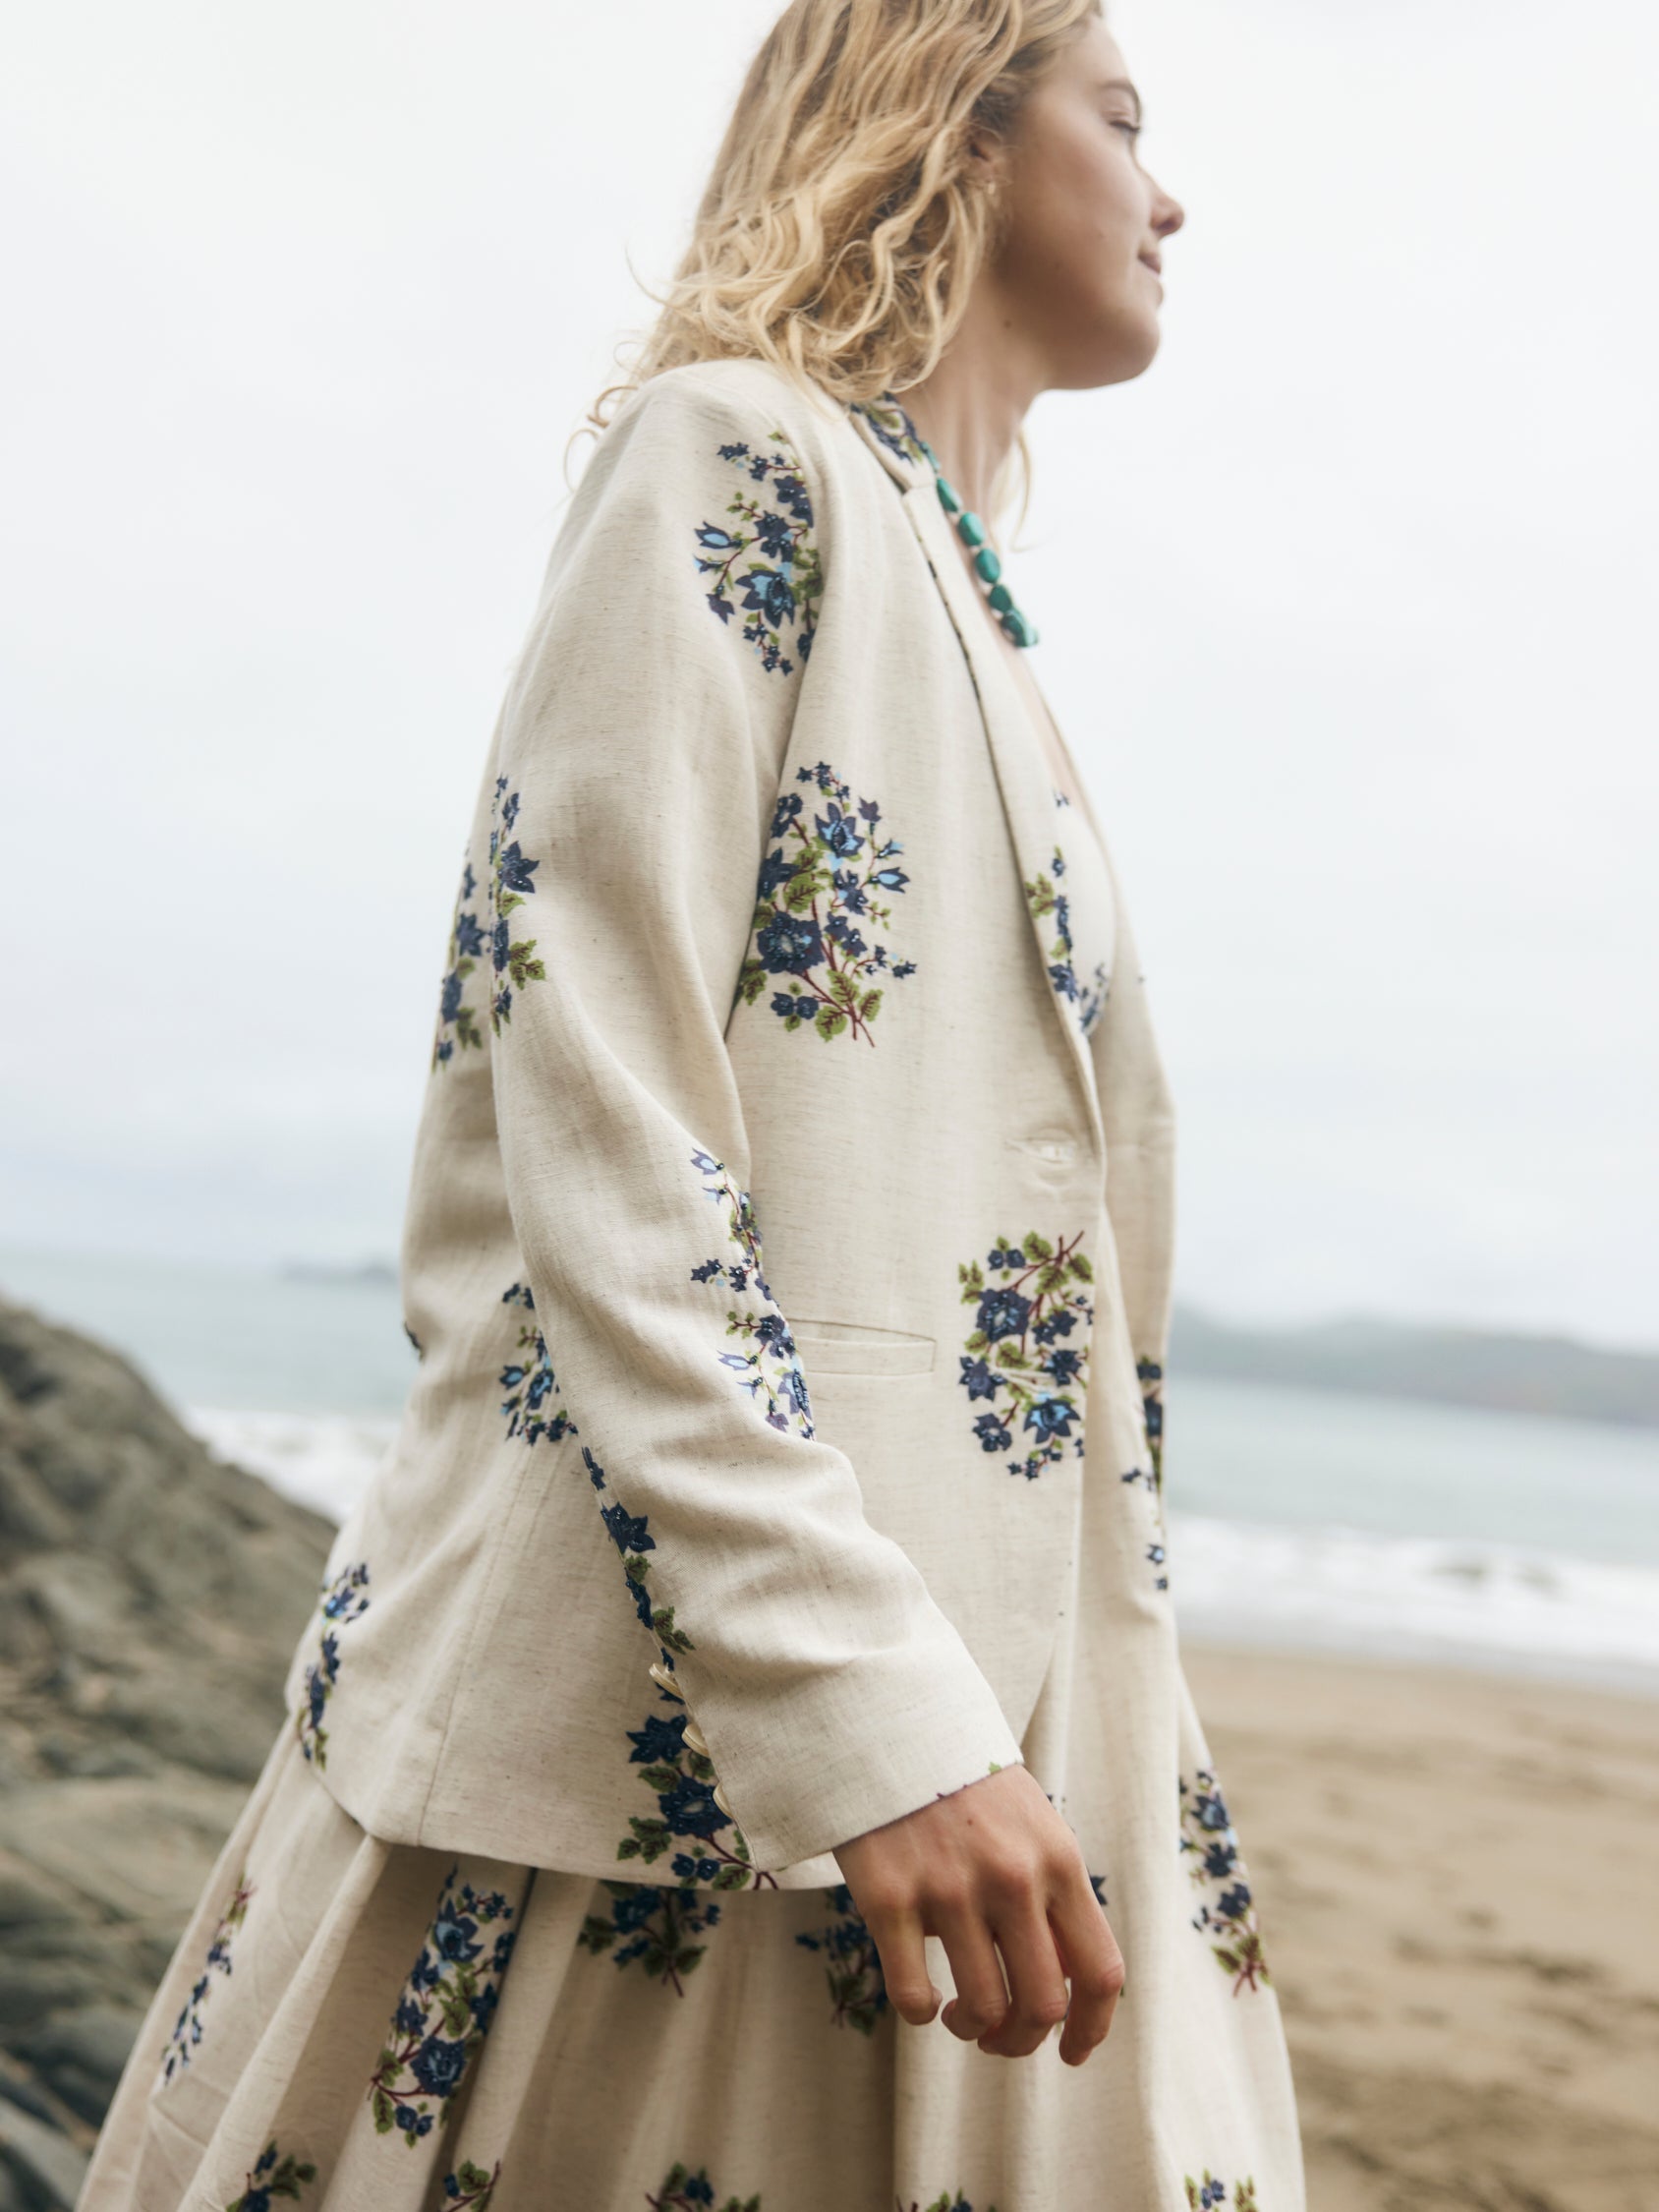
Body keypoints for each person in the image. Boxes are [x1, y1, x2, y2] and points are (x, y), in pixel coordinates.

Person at [78, 3, 1307, 2206]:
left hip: (978, 1750)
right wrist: (864, 1708)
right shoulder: (730, 453)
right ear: (954, 121)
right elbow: (609, 1139)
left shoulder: (959, 580)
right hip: (698, 1758)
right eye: (1122, 120)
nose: (1172, 191)